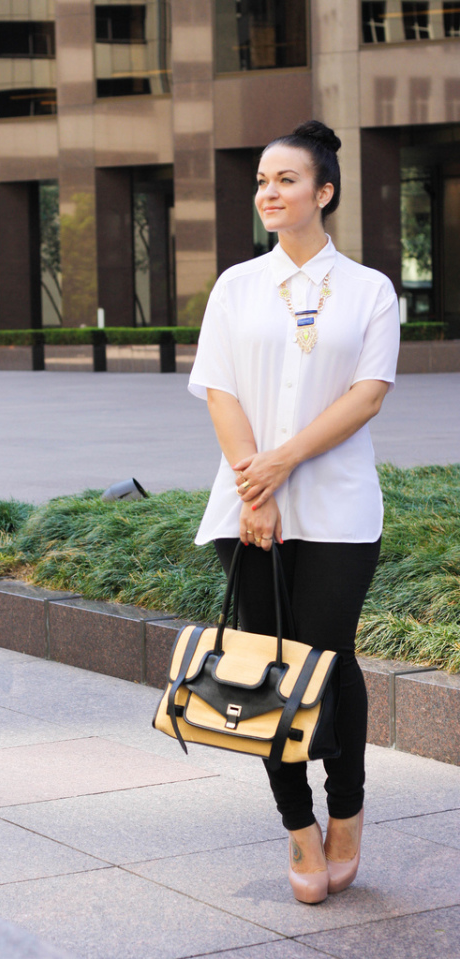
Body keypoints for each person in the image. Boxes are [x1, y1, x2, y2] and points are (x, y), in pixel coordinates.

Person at [188, 120, 400, 904]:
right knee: (265, 666)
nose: (268, 194)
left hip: (339, 508)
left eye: (284, 181)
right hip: (247, 511)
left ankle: (347, 810)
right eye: (261, 183)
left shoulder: (371, 290)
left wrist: (279, 464)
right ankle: (299, 829)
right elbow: (221, 388)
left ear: (325, 191)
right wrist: (257, 488)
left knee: (330, 657)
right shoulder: (236, 286)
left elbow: (367, 395)